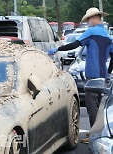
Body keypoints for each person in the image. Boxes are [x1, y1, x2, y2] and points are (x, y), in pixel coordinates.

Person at [49, 7, 113, 143]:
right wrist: (108, 72)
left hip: (92, 76)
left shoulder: (91, 32)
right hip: (104, 77)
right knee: (102, 108)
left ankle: (95, 136)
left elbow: (75, 44)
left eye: (89, 19)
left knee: (91, 106)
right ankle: (102, 134)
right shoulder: (107, 35)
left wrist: (58, 49)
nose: (88, 22)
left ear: (94, 18)